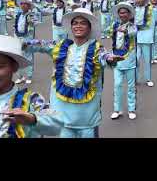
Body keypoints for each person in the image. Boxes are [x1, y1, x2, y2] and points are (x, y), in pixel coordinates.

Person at [22, 8, 123, 138]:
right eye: (75, 23)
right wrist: (22, 44)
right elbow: (42, 44)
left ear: (89, 27)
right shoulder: (61, 46)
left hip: (86, 118)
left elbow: (104, 56)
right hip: (63, 116)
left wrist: (110, 58)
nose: (78, 26)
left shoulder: (97, 49)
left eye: (83, 23)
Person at [109, 2, 137, 120]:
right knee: (117, 85)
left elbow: (133, 33)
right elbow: (108, 32)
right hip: (117, 59)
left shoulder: (132, 25)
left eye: (125, 12)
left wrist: (125, 31)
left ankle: (131, 109)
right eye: (120, 13)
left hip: (129, 59)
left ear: (129, 14)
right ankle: (117, 109)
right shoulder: (114, 24)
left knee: (130, 86)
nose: (122, 14)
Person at [132, 0, 157, 87]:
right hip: (135, 37)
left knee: (147, 60)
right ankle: (136, 78)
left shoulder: (150, 9)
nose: (138, 1)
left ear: (144, 0)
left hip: (146, 37)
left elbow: (154, 21)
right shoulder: (133, 9)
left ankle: (148, 79)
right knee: (136, 59)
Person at [14, 0, 38, 85]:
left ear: (29, 6)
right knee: (17, 57)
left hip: (27, 39)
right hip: (18, 37)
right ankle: (20, 77)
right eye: (22, 4)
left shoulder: (31, 15)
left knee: (28, 57)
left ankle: (29, 76)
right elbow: (16, 27)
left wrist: (27, 41)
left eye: (26, 4)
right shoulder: (19, 15)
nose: (23, 5)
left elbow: (33, 25)